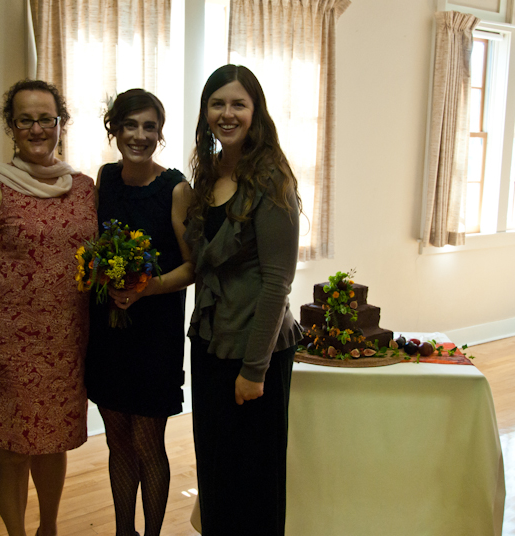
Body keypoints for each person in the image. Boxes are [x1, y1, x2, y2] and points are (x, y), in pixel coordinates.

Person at [0, 80, 97, 536]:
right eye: (25, 120)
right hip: (8, 344)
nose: (37, 129)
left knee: (54, 443)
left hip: (66, 344)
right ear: (11, 126)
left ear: (61, 123)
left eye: (45, 119)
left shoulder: (83, 188)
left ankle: (48, 528)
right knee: (13, 446)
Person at [186, 64, 303, 536]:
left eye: (239, 104)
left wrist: (254, 371)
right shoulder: (209, 172)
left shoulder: (272, 179)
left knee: (254, 485)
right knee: (216, 474)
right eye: (217, 104)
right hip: (210, 342)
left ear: (256, 112)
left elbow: (277, 283)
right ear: (205, 112)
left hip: (256, 350)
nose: (227, 113)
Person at [85, 88, 195, 536]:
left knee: (148, 444)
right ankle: (123, 532)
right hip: (109, 336)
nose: (139, 135)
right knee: (117, 443)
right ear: (114, 129)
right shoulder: (106, 178)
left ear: (160, 133)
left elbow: (193, 266)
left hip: (154, 338)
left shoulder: (176, 189)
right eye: (130, 125)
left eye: (150, 127)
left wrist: (147, 288)